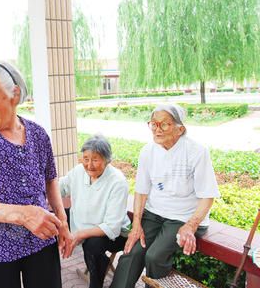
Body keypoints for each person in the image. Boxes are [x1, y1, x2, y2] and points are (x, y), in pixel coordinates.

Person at [0, 61, 71, 288]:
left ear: (14, 94)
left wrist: (62, 222)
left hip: (40, 239)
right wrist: (24, 215)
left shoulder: (38, 134)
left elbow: (50, 178)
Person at [110, 104, 220, 288]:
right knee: (132, 251)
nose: (157, 129)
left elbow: (208, 196)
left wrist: (190, 226)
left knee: (155, 256)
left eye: (164, 124)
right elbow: (141, 191)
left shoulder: (197, 151)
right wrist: (136, 225)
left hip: (183, 217)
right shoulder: (148, 151)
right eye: (153, 124)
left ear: (180, 129)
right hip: (155, 213)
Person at [60, 134, 130, 288]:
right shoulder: (79, 171)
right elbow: (60, 188)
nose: (89, 165)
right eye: (86, 159)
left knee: (92, 245)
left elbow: (112, 226)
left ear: (107, 160)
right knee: (52, 221)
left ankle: (96, 284)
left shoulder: (117, 181)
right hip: (82, 224)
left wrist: (78, 234)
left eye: (95, 159)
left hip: (114, 235)